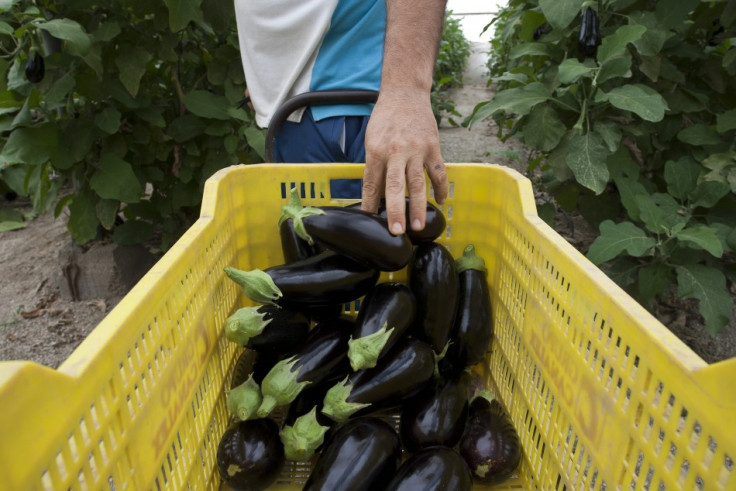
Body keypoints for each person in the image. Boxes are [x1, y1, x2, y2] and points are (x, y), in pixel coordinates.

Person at [234, 0, 448, 236]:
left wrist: (407, 89)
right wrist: (267, 80)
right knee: (314, 245)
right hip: (293, 116)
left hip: (348, 110)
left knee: (371, 248)